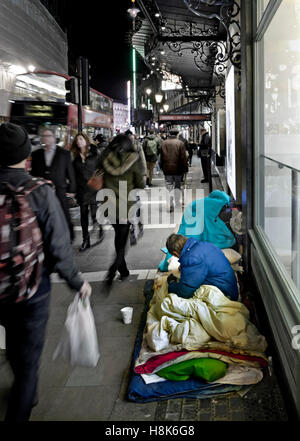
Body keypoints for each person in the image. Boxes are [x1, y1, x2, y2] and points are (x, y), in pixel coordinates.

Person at [0, 122, 91, 421]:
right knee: (28, 359)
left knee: (13, 338)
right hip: (32, 287)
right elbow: (59, 245)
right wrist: (77, 282)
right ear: (27, 154)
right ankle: (25, 394)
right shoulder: (38, 191)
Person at [97, 134, 145, 287]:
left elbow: (98, 176)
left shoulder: (104, 156)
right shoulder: (133, 158)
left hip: (108, 204)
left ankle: (122, 269)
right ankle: (115, 266)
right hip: (126, 205)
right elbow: (140, 184)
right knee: (122, 239)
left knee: (119, 235)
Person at [31, 127, 76, 242]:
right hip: (43, 190)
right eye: (44, 136)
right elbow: (33, 173)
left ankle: (69, 235)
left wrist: (72, 188)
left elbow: (70, 171)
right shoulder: (36, 154)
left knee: (63, 212)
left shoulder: (64, 153)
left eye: (48, 136)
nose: (46, 138)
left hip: (60, 188)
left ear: (54, 138)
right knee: (44, 213)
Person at [166, 233, 238, 301]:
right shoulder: (205, 245)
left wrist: (171, 284)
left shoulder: (191, 259)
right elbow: (204, 262)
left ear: (175, 253)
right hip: (230, 287)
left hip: (224, 295)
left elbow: (184, 292)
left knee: (172, 303)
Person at [71, 132, 104, 252]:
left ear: (86, 140)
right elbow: (73, 175)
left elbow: (101, 169)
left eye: (81, 139)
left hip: (94, 189)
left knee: (95, 214)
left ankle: (99, 227)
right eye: (77, 140)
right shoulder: (75, 158)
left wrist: (100, 185)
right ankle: (86, 240)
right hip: (82, 190)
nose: (79, 141)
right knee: (83, 215)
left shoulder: (95, 153)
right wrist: (73, 191)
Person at [160, 129, 188, 212]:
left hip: (167, 169)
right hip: (178, 169)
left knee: (169, 186)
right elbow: (183, 158)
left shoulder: (163, 143)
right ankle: (177, 201)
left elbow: (161, 157)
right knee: (177, 186)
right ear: (177, 134)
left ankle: (170, 203)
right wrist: (185, 168)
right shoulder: (180, 143)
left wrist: (162, 167)